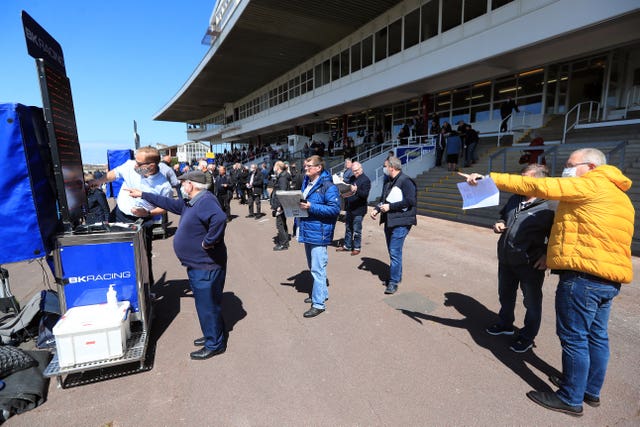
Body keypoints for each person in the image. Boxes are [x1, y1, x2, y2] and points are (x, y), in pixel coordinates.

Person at [463, 148, 634, 417]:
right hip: (607, 277)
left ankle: (570, 397)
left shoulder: (589, 184)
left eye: (569, 164)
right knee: (596, 336)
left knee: (574, 338)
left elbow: (534, 184)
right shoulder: (618, 195)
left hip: (582, 276)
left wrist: (487, 179)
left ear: (589, 167)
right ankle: (588, 389)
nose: (565, 168)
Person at [125, 170, 228, 361]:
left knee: (207, 306)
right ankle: (212, 334)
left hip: (205, 265)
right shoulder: (192, 202)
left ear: (192, 185)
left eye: (183, 182)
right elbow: (169, 203)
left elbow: (220, 219)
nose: (181, 185)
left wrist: (208, 242)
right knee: (207, 304)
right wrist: (143, 195)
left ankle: (214, 344)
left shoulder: (204, 200)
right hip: (199, 265)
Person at [486, 164, 555, 353]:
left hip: (530, 264)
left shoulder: (550, 204)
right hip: (507, 259)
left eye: (524, 177)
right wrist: (498, 224)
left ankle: (527, 337)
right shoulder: (515, 198)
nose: (519, 180)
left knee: (531, 303)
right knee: (505, 295)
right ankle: (505, 324)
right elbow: (503, 217)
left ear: (537, 180)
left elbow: (558, 235)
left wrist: (547, 255)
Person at [93, 146, 173, 285]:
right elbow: (115, 173)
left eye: (139, 163)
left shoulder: (164, 186)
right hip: (119, 214)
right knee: (114, 251)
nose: (135, 164)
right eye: (135, 160)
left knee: (142, 256)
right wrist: (98, 182)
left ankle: (146, 288)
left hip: (141, 221)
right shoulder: (131, 165)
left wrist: (148, 213)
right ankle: (118, 282)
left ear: (151, 166)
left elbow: (165, 208)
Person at [296, 155, 340, 318]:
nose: (305, 168)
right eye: (305, 166)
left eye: (309, 166)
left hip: (319, 232)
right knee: (313, 266)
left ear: (319, 168)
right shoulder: (308, 183)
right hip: (308, 229)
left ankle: (319, 303)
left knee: (317, 269)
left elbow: (334, 210)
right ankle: (321, 293)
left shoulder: (328, 186)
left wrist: (311, 206)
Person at [370, 156, 417, 295]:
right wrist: (377, 209)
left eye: (385, 166)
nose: (384, 169)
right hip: (390, 221)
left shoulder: (406, 181)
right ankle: (397, 275)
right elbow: (383, 200)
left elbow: (410, 201)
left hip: (402, 221)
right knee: (393, 251)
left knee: (395, 252)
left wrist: (390, 207)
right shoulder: (388, 181)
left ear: (391, 167)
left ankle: (393, 282)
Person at [336, 162, 371, 256]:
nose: (355, 173)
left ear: (361, 169)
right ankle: (347, 245)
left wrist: (356, 190)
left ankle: (356, 247)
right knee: (348, 228)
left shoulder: (366, 180)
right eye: (353, 171)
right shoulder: (352, 178)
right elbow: (348, 188)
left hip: (359, 209)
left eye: (356, 171)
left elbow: (365, 195)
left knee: (356, 230)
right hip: (350, 207)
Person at [271, 161, 291, 251]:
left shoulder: (282, 178)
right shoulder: (282, 176)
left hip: (281, 204)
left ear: (278, 167)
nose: (273, 168)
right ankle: (285, 241)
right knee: (282, 223)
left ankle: (283, 244)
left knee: (280, 224)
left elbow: (282, 193)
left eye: (274, 166)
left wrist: (279, 206)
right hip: (282, 204)